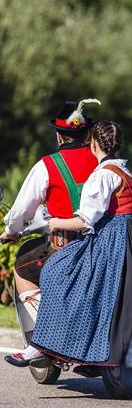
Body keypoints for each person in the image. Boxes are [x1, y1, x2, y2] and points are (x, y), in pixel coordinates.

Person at [6, 121, 132, 367]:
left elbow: (84, 220)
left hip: (102, 243)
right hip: (128, 244)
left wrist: (45, 225)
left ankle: (45, 344)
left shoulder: (95, 173)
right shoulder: (125, 172)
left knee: (51, 271)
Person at [1, 99, 101, 366]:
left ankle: (45, 338)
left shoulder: (48, 165)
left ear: (59, 136)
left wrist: (10, 231)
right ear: (88, 134)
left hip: (63, 248)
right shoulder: (104, 163)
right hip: (102, 248)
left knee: (23, 267)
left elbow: (22, 210)